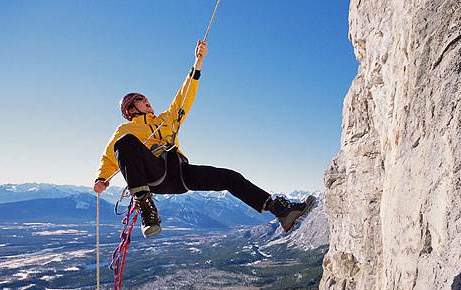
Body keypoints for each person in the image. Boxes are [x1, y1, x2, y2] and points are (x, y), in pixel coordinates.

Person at [93, 40, 315, 238]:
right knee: (126, 144)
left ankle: (281, 211)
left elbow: (184, 97)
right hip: (153, 174)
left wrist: (198, 62)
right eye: (141, 99)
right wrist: (101, 178)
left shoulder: (165, 120)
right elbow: (110, 157)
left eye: (146, 97)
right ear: (130, 108)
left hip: (178, 173)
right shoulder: (124, 130)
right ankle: (146, 209)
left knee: (230, 177)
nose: (147, 100)